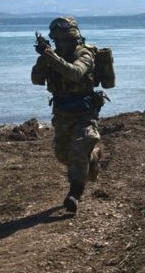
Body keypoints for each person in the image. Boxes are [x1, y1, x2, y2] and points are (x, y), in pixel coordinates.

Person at [31, 17, 104, 214]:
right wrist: (43, 58)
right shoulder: (52, 55)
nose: (61, 43)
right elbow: (36, 80)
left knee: (80, 146)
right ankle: (94, 157)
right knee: (63, 155)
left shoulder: (84, 53)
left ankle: (75, 194)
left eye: (65, 40)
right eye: (58, 40)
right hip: (62, 112)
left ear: (73, 38)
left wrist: (51, 57)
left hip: (85, 110)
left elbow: (76, 73)